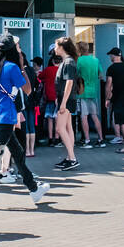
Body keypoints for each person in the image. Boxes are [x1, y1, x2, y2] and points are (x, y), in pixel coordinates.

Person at [0, 34, 50, 209]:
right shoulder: (13, 68)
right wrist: (22, 66)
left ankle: (34, 189)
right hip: (6, 117)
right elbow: (28, 90)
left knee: (17, 153)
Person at [53, 37, 82, 168]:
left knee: (60, 128)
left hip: (66, 100)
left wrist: (63, 102)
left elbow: (69, 83)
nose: (54, 48)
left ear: (61, 47)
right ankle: (70, 157)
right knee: (68, 128)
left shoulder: (68, 62)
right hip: (66, 99)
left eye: (56, 46)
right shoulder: (68, 61)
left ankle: (72, 158)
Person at [75, 43, 105, 147]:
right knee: (95, 116)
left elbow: (76, 74)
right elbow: (101, 75)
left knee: (84, 116)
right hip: (94, 91)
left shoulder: (79, 60)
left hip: (82, 91)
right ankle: (101, 139)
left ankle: (87, 140)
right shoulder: (95, 60)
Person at [37, 52, 59, 146]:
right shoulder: (61, 70)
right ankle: (57, 138)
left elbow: (39, 77)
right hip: (59, 97)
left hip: (49, 97)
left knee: (49, 119)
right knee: (58, 119)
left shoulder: (47, 70)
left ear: (53, 61)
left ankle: (50, 139)